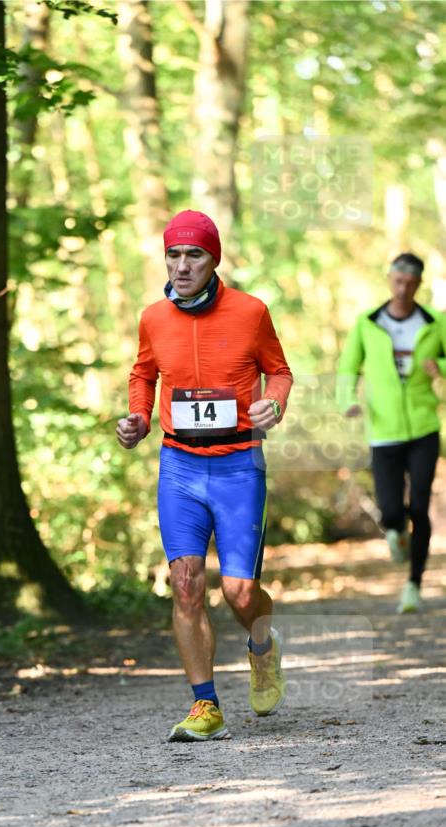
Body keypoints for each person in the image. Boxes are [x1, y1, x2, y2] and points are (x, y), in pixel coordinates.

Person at [116, 210, 293, 742]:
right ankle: (206, 704)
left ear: (213, 259)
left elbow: (279, 371)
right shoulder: (153, 318)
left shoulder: (251, 312)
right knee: (186, 584)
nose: (182, 265)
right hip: (180, 466)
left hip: (239, 465)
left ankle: (262, 646)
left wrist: (273, 404)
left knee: (240, 593)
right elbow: (143, 373)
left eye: (194, 254)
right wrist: (139, 417)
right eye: (173, 254)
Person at [338, 253, 445, 613]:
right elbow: (348, 368)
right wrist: (346, 401)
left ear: (418, 284)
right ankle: (396, 533)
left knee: (420, 506)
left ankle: (413, 584)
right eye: (398, 281)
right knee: (390, 512)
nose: (402, 288)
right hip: (383, 430)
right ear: (389, 279)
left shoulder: (435, 322)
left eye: (410, 283)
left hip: (423, 427)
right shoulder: (368, 323)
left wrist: (439, 365)